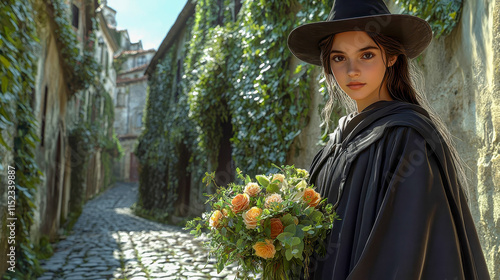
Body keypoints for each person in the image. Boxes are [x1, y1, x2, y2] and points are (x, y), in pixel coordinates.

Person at [287, 0, 491, 279]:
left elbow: (402, 257)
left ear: (392, 56)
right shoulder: (332, 148)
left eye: (366, 55)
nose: (352, 70)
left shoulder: (407, 138)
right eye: (338, 58)